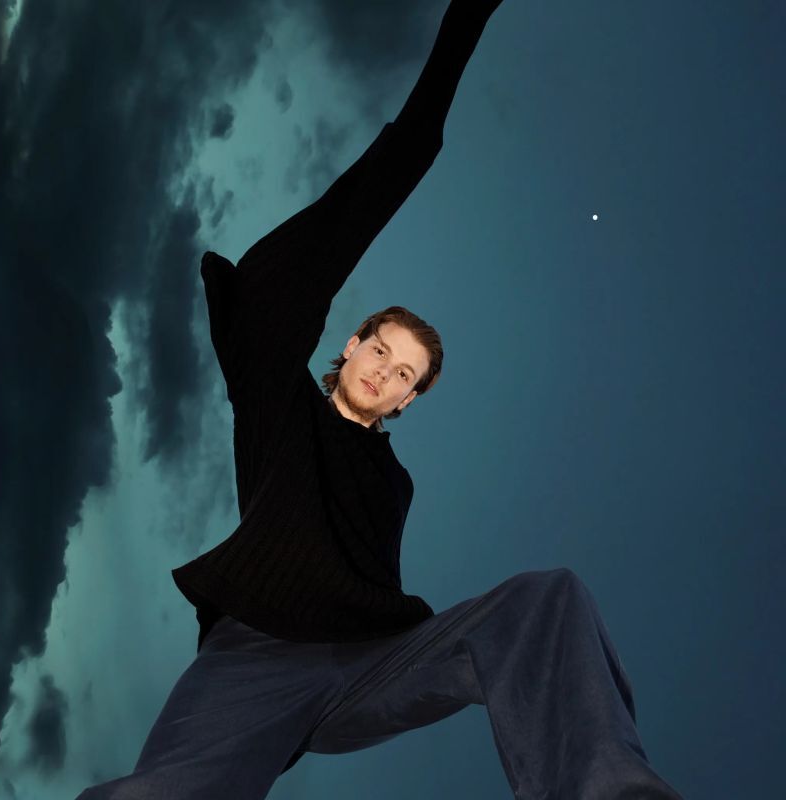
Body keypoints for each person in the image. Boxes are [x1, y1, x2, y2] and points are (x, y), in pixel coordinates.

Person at [77, 1, 684, 798]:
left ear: (406, 402)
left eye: (405, 377)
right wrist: (463, 28)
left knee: (546, 599)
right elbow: (275, 291)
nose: (386, 374)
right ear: (351, 345)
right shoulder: (279, 401)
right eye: (382, 352)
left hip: (373, 661)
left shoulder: (394, 483)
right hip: (255, 657)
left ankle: (610, 789)